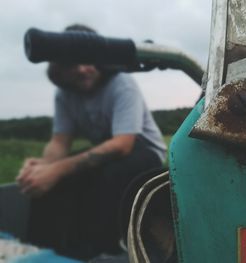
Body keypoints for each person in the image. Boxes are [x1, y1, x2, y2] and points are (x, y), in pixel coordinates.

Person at [16, 24, 167, 260]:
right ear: (59, 68)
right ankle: (40, 251)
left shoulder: (121, 83)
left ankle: (101, 251)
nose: (84, 69)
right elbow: (59, 142)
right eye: (73, 64)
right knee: (51, 182)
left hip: (144, 153)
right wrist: (43, 169)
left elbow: (123, 144)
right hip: (108, 150)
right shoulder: (64, 94)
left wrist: (57, 169)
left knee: (107, 174)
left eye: (89, 61)